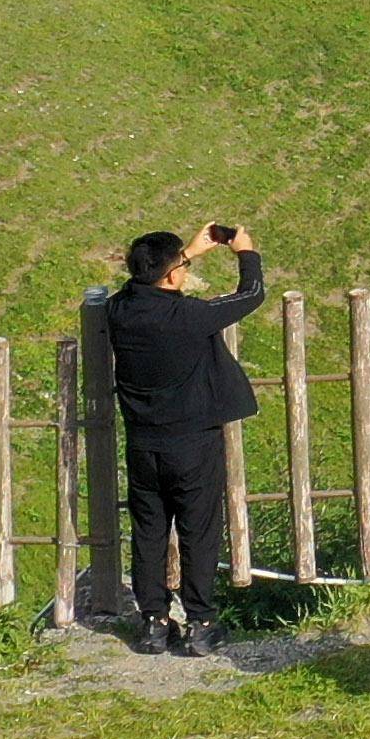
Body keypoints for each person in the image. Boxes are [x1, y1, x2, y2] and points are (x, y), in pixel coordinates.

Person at [104, 223, 263, 654]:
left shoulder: (118, 311)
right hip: (192, 442)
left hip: (143, 445)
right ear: (172, 276)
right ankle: (201, 622)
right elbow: (250, 295)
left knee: (149, 532)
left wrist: (188, 253)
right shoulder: (187, 316)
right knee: (198, 531)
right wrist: (245, 253)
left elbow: (143, 284)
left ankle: (154, 622)